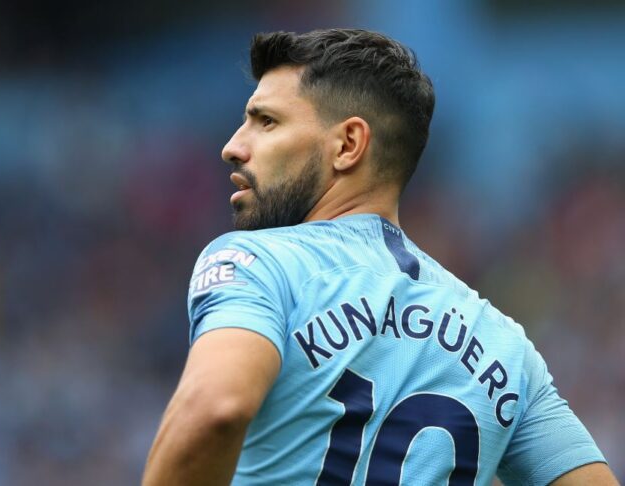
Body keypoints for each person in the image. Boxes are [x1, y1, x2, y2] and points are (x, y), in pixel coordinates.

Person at [142, 29, 617, 485]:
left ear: (348, 145)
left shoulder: (258, 263)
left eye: (266, 121)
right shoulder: (506, 347)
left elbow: (216, 410)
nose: (232, 147)